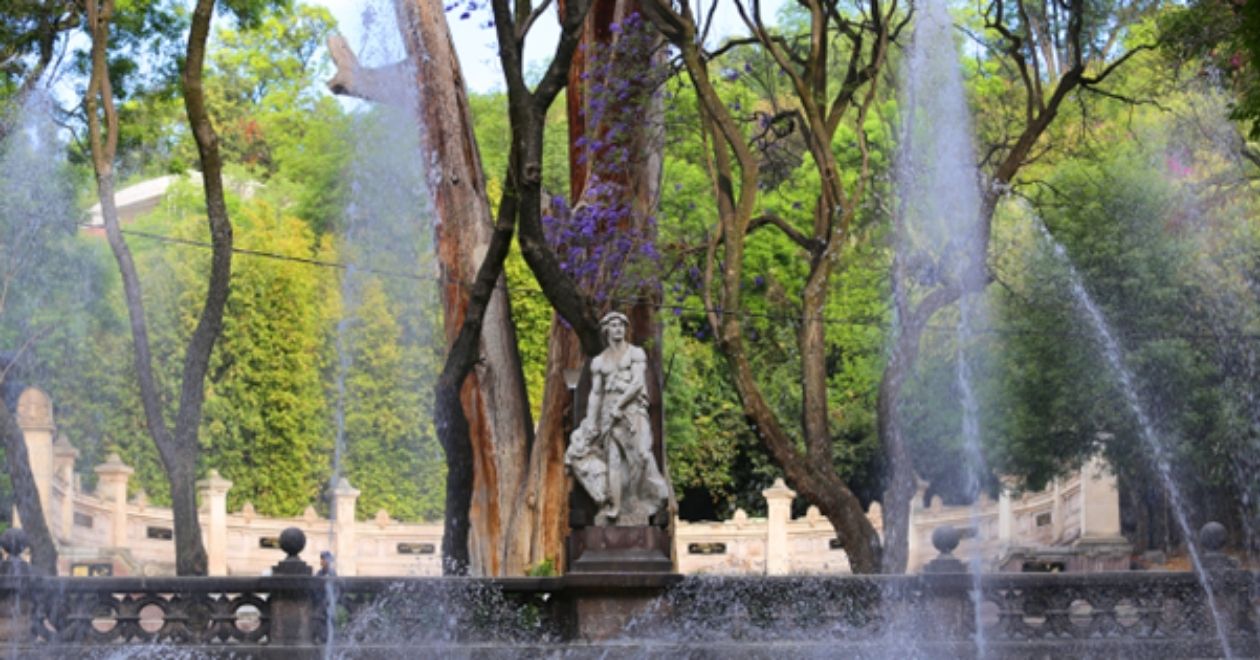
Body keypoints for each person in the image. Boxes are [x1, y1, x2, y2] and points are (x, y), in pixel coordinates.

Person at [565, 311, 669, 526]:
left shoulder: (635, 353)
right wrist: (592, 422)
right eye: (613, 325)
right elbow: (595, 394)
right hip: (608, 415)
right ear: (606, 330)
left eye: (621, 325)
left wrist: (619, 406)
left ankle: (642, 501)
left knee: (641, 454)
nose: (618, 328)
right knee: (613, 461)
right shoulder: (599, 362)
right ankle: (615, 507)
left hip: (632, 412)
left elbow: (638, 383)